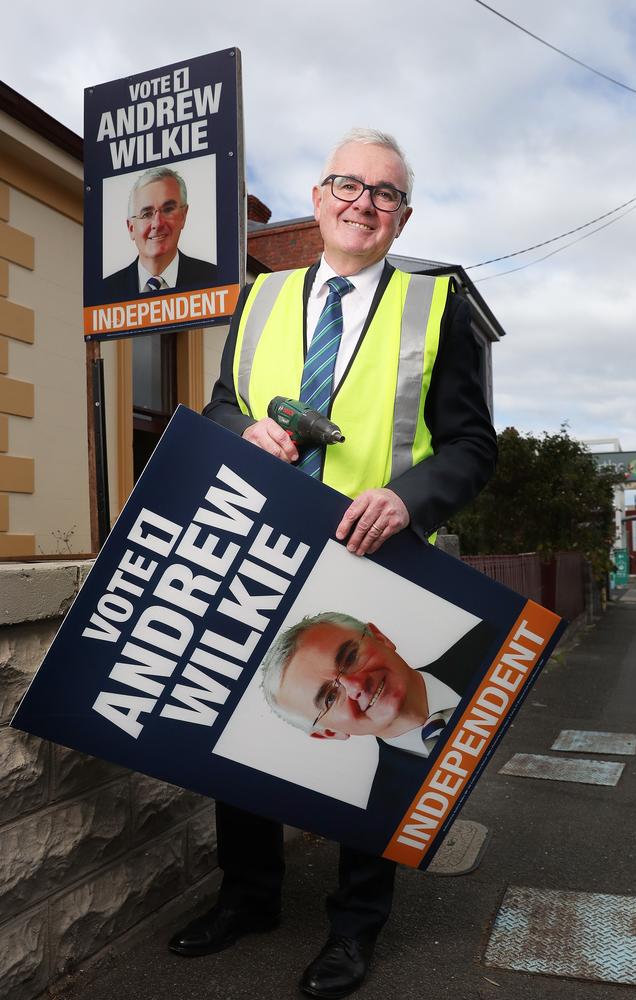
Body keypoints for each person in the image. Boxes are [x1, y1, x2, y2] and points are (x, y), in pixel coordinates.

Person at [169, 128, 498, 999]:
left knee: (368, 729)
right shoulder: (263, 298)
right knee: (241, 727)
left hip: (375, 556)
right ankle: (250, 896)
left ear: (403, 217)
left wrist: (410, 500)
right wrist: (246, 431)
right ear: (317, 200)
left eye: (385, 193)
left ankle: (356, 926)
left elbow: (470, 446)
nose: (364, 202)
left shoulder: (439, 307)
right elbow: (218, 404)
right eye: (348, 185)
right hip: (265, 548)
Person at [262, 611, 496, 756]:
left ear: (380, 637)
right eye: (330, 698)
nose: (356, 686)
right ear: (329, 733)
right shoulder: (387, 822)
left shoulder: (496, 640)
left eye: (350, 658)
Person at [102, 166, 215, 299]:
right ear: (131, 228)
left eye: (168, 209)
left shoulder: (214, 279)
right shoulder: (104, 292)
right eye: (146, 214)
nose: (157, 223)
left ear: (183, 216)